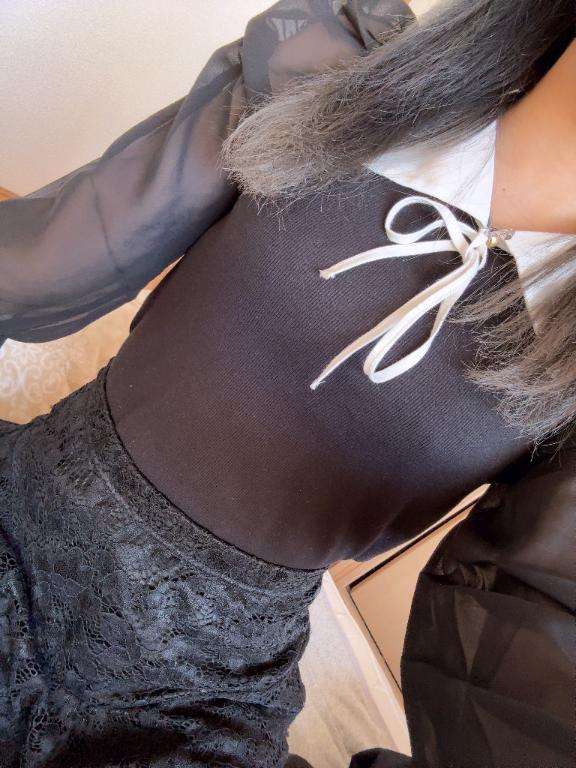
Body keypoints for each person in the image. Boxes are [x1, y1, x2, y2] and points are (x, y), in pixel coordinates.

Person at [0, 1, 574, 765]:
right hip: (29, 505)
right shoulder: (342, 66)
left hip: (193, 693)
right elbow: (57, 256)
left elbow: (530, 648)